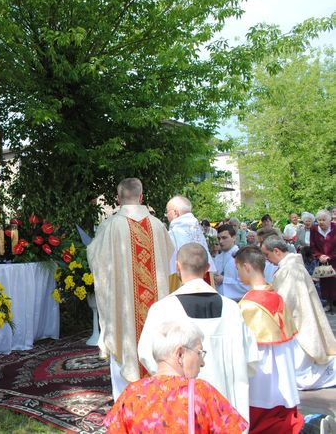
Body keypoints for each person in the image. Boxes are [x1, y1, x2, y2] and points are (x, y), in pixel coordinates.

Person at [138, 243, 258, 424]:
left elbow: (147, 354)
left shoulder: (162, 308)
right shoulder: (232, 308)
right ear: (208, 268)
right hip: (227, 405)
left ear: (177, 266)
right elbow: (250, 358)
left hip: (182, 403)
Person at [87, 178, 174, 400]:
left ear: (117, 199)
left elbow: (95, 259)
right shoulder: (157, 225)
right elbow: (171, 261)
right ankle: (157, 399)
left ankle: (126, 405)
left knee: (124, 343)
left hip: (124, 312)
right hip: (156, 308)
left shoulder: (111, 225)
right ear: (142, 197)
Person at [107, 319, 248, 433]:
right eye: (199, 353)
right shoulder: (202, 392)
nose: (203, 362)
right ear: (180, 353)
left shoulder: (131, 393)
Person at [235, 246, 303, 434]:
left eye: (238, 268)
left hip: (262, 368)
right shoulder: (278, 296)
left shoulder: (248, 305)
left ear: (247, 267)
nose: (238, 273)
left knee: (261, 406)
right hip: (284, 367)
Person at [261, 235, 336, 390]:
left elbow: (285, 300)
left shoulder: (288, 270)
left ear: (276, 251)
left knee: (300, 375)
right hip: (302, 316)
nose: (267, 260)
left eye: (267, 255)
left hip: (298, 322)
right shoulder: (292, 266)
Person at [166, 196, 216, 288]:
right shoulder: (198, 231)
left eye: (167, 212)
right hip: (204, 279)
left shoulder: (173, 234)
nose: (167, 216)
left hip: (181, 282)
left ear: (175, 212)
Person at [213, 225, 248, 301]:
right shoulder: (217, 258)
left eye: (224, 238)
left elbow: (246, 286)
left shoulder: (242, 257)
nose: (220, 241)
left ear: (234, 238)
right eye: (219, 238)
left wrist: (224, 280)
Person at [311, 209, 336, 313]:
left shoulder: (335, 228)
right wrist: (319, 255)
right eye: (319, 220)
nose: (321, 222)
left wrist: (330, 256)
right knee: (325, 283)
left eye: (323, 220)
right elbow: (312, 246)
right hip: (322, 261)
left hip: (334, 260)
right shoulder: (314, 229)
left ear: (329, 220)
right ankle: (329, 304)